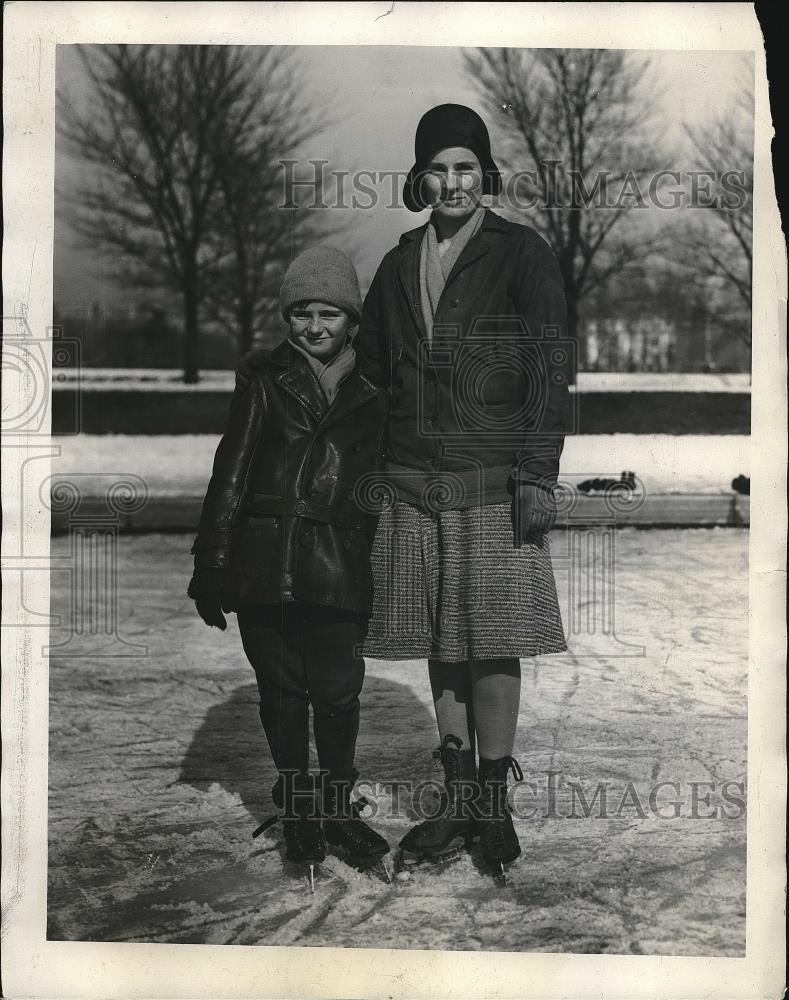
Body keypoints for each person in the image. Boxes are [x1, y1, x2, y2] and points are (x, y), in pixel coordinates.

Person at [355, 104, 570, 878]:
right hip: (412, 484)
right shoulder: (396, 262)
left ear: (484, 176)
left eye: (464, 168)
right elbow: (374, 379)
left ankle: (492, 804)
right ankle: (455, 804)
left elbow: (549, 372)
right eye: (436, 170)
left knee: (491, 640)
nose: (451, 182)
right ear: (420, 180)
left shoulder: (522, 253)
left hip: (491, 482)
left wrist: (538, 474)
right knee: (438, 644)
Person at [187, 246, 391, 888]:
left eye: (327, 312)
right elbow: (231, 473)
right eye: (300, 313)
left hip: (340, 565)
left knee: (337, 690)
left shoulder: (377, 387)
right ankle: (298, 803)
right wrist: (212, 563)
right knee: (281, 688)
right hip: (265, 562)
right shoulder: (265, 381)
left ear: (350, 319)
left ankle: (334, 804)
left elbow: (384, 482)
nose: (313, 326)